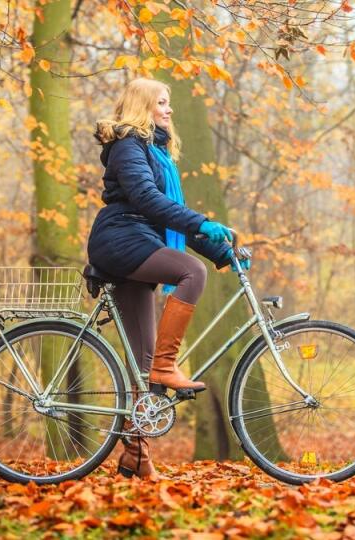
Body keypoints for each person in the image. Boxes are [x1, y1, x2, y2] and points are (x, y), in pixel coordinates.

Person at [87, 77, 248, 480]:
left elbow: (170, 213)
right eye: (161, 102)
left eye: (169, 102)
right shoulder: (128, 146)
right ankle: (166, 366)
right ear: (143, 106)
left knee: (140, 364)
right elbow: (146, 201)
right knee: (188, 271)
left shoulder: (155, 152)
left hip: (137, 240)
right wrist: (205, 223)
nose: (169, 109)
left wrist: (223, 252)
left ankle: (136, 455)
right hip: (121, 238)